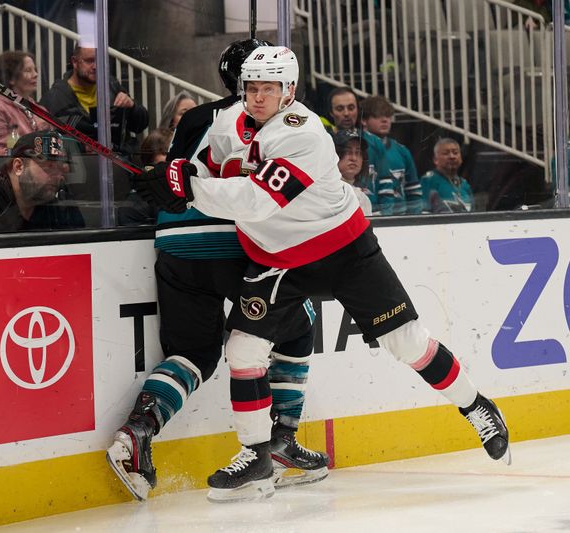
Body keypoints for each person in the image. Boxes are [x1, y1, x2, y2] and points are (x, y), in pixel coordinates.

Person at [136, 45, 511, 503]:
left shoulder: (304, 133)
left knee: (407, 342)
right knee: (243, 348)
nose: (257, 98)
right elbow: (206, 167)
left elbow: (256, 201)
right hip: (276, 258)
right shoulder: (225, 123)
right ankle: (257, 457)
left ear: (288, 91)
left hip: (343, 252)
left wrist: (188, 190)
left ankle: (477, 407)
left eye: (268, 90)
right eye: (250, 88)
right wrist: (173, 175)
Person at [106, 39, 328, 502]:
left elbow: (175, 176)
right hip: (233, 238)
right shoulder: (274, 120)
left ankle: (135, 435)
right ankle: (281, 439)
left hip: (174, 241)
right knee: (299, 322)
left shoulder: (194, 117)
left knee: (195, 352)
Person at [0, 130, 84, 231]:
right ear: (18, 166)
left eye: (60, 168)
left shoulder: (58, 200)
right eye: (48, 167)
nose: (58, 176)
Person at [40, 46, 149, 155]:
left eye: (100, 60)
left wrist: (132, 106)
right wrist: (80, 148)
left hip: (119, 160)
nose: (96, 66)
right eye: (89, 61)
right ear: (74, 62)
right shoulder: (54, 98)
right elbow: (44, 144)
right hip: (79, 165)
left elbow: (140, 125)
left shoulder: (111, 86)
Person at [0, 51, 51, 159]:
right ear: (11, 78)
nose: (35, 75)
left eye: (35, 70)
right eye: (28, 70)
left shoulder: (39, 109)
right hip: (14, 172)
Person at [359, 95, 421, 215]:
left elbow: (413, 191)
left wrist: (416, 219)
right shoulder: (357, 150)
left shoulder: (402, 151)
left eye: (388, 116)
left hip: (401, 218)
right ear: (363, 120)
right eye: (377, 116)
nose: (385, 120)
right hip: (370, 216)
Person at [421, 138, 474, 213]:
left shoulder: (465, 184)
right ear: (435, 159)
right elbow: (423, 214)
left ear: (461, 158)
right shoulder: (429, 181)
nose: (452, 156)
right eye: (446, 153)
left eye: (455, 153)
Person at [334, 128, 374, 215]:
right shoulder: (326, 191)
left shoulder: (362, 198)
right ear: (334, 154)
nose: (354, 158)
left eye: (358, 153)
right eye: (348, 152)